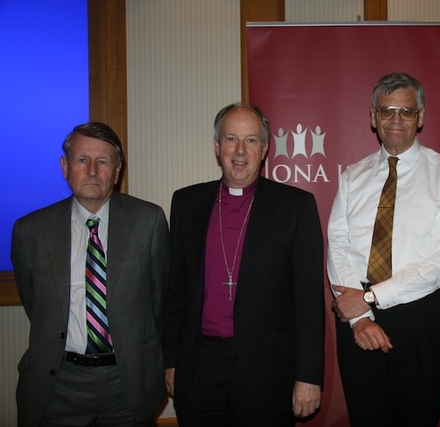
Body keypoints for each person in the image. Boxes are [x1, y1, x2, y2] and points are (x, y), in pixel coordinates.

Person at [162, 103, 325, 426]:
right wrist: (170, 361)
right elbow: (176, 291)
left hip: (267, 370)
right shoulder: (187, 203)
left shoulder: (296, 206)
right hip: (200, 367)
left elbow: (309, 301)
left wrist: (309, 376)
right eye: (231, 139)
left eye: (250, 140)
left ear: (265, 149)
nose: (239, 151)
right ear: (216, 145)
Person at [328, 72, 440, 426]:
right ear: (372, 117)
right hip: (358, 318)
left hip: (423, 316)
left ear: (421, 117)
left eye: (405, 111)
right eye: (386, 110)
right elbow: (338, 245)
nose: (395, 119)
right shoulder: (352, 176)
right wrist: (359, 318)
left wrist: (371, 298)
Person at [11, 122, 170, 426]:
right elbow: (36, 303)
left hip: (127, 382)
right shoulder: (31, 231)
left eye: (103, 161)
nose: (92, 171)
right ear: (65, 166)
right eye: (82, 160)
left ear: (118, 169)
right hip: (59, 382)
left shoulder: (148, 222)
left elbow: (158, 299)